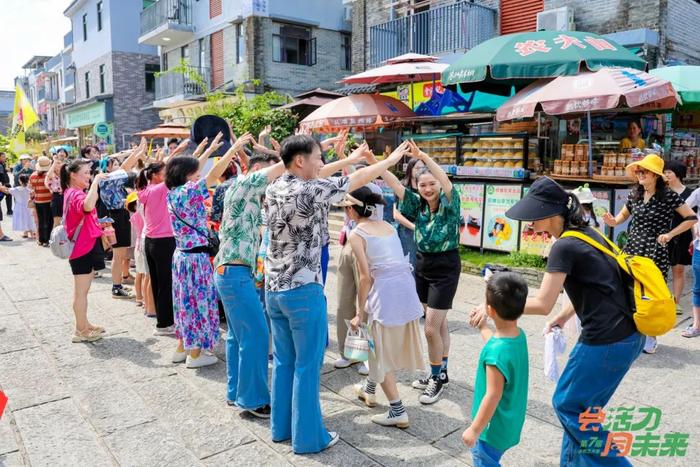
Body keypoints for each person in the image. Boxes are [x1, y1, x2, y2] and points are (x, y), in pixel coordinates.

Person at [474, 176, 643, 466]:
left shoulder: (564, 246)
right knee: (583, 411)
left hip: (607, 339)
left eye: (533, 215)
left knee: (567, 405)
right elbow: (601, 284)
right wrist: (564, 316)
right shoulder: (587, 233)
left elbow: (541, 303)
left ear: (552, 213)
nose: (529, 222)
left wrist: (493, 305)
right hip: (627, 335)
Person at [264, 135, 407, 454]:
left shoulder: (276, 186)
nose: (321, 162)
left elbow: (327, 173)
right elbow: (352, 180)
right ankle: (309, 438)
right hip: (302, 290)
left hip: (274, 290)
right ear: (300, 161)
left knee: (285, 362)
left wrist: (349, 157)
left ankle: (281, 429)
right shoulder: (311, 189)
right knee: (307, 365)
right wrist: (387, 162)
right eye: (318, 157)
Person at [381, 140, 461, 405]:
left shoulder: (450, 204)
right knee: (440, 323)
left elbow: (446, 182)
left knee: (429, 329)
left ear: (439, 184)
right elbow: (394, 185)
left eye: (432, 184)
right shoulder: (418, 206)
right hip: (423, 265)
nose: (428, 188)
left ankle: (435, 378)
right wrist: (377, 163)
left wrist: (424, 156)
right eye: (422, 184)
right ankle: (442, 371)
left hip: (446, 267)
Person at [340, 187, 424, 429]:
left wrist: (359, 312)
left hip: (385, 294)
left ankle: (397, 410)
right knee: (381, 346)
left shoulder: (357, 234)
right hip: (405, 290)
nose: (346, 211)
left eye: (347, 206)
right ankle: (369, 390)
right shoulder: (388, 226)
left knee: (379, 353)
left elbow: (365, 278)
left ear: (353, 209)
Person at [214, 148, 283, 417]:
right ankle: (253, 400)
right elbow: (283, 166)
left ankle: (235, 392)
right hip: (235, 273)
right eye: (269, 175)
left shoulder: (240, 189)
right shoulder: (246, 183)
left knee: (237, 336)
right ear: (258, 171)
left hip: (229, 272)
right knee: (256, 335)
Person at [603, 154, 696, 354]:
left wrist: (670, 234)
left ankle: (650, 336)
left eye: (643, 171)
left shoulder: (669, 196)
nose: (639, 174)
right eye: (638, 171)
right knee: (628, 290)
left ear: (655, 175)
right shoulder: (634, 194)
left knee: (650, 295)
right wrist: (611, 221)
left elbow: (691, 218)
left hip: (654, 251)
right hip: (633, 249)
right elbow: (620, 218)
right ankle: (630, 333)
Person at [168, 136, 245, 368]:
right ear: (186, 175)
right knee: (199, 302)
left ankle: (182, 347)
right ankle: (195, 354)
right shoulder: (189, 192)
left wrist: (208, 150)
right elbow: (212, 176)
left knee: (184, 302)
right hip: (195, 259)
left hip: (181, 256)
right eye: (194, 173)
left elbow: (198, 171)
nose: (198, 174)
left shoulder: (172, 192)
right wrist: (231, 149)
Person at [463, 272, 529, 467]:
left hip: (490, 429)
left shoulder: (495, 355)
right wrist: (483, 327)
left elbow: (492, 396)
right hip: (510, 420)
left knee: (485, 462)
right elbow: (496, 343)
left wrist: (475, 430)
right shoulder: (518, 336)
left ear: (489, 310)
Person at [61, 159, 109, 343]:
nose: (89, 176)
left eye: (90, 173)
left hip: (84, 246)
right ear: (73, 175)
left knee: (83, 290)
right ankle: (80, 330)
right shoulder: (75, 194)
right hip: (81, 248)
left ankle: (85, 324)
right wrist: (96, 182)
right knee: (81, 291)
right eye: (86, 173)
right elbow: (88, 206)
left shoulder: (73, 192)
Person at [98, 144, 145, 299]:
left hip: (119, 216)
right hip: (117, 217)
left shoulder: (111, 180)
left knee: (121, 253)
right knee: (118, 255)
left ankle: (118, 285)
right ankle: (116, 287)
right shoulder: (108, 179)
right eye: (115, 164)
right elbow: (126, 166)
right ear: (107, 167)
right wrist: (137, 152)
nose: (119, 167)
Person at [137, 161, 175, 335]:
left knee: (158, 283)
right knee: (165, 284)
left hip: (151, 241)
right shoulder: (160, 189)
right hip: (163, 241)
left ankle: (163, 322)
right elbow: (180, 171)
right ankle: (165, 323)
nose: (167, 174)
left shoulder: (145, 190)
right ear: (155, 175)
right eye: (164, 172)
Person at [664, 160, 694, 313]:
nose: (666, 174)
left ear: (678, 174)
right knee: (658, 269)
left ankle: (675, 302)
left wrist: (695, 240)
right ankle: (660, 300)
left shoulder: (690, 193)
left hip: (682, 237)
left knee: (678, 270)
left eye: (669, 172)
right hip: (662, 235)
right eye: (665, 171)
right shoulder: (661, 191)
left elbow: (694, 219)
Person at [393, 158, 423, 273]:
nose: (420, 171)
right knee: (410, 264)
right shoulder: (403, 187)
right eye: (417, 168)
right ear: (410, 169)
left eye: (423, 168)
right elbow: (396, 214)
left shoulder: (424, 187)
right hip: (408, 231)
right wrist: (414, 227)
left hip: (424, 230)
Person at [29, 156, 54, 247]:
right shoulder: (49, 176)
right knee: (49, 221)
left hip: (38, 201)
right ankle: (47, 240)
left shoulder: (33, 175)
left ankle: (41, 239)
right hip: (48, 201)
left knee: (41, 221)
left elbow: (31, 188)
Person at [46, 150, 67, 228]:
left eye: (60, 163)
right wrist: (54, 162)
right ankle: (55, 239)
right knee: (57, 222)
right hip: (57, 197)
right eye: (57, 163)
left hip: (66, 196)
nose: (59, 164)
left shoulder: (65, 174)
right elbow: (49, 174)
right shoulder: (52, 175)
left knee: (66, 220)